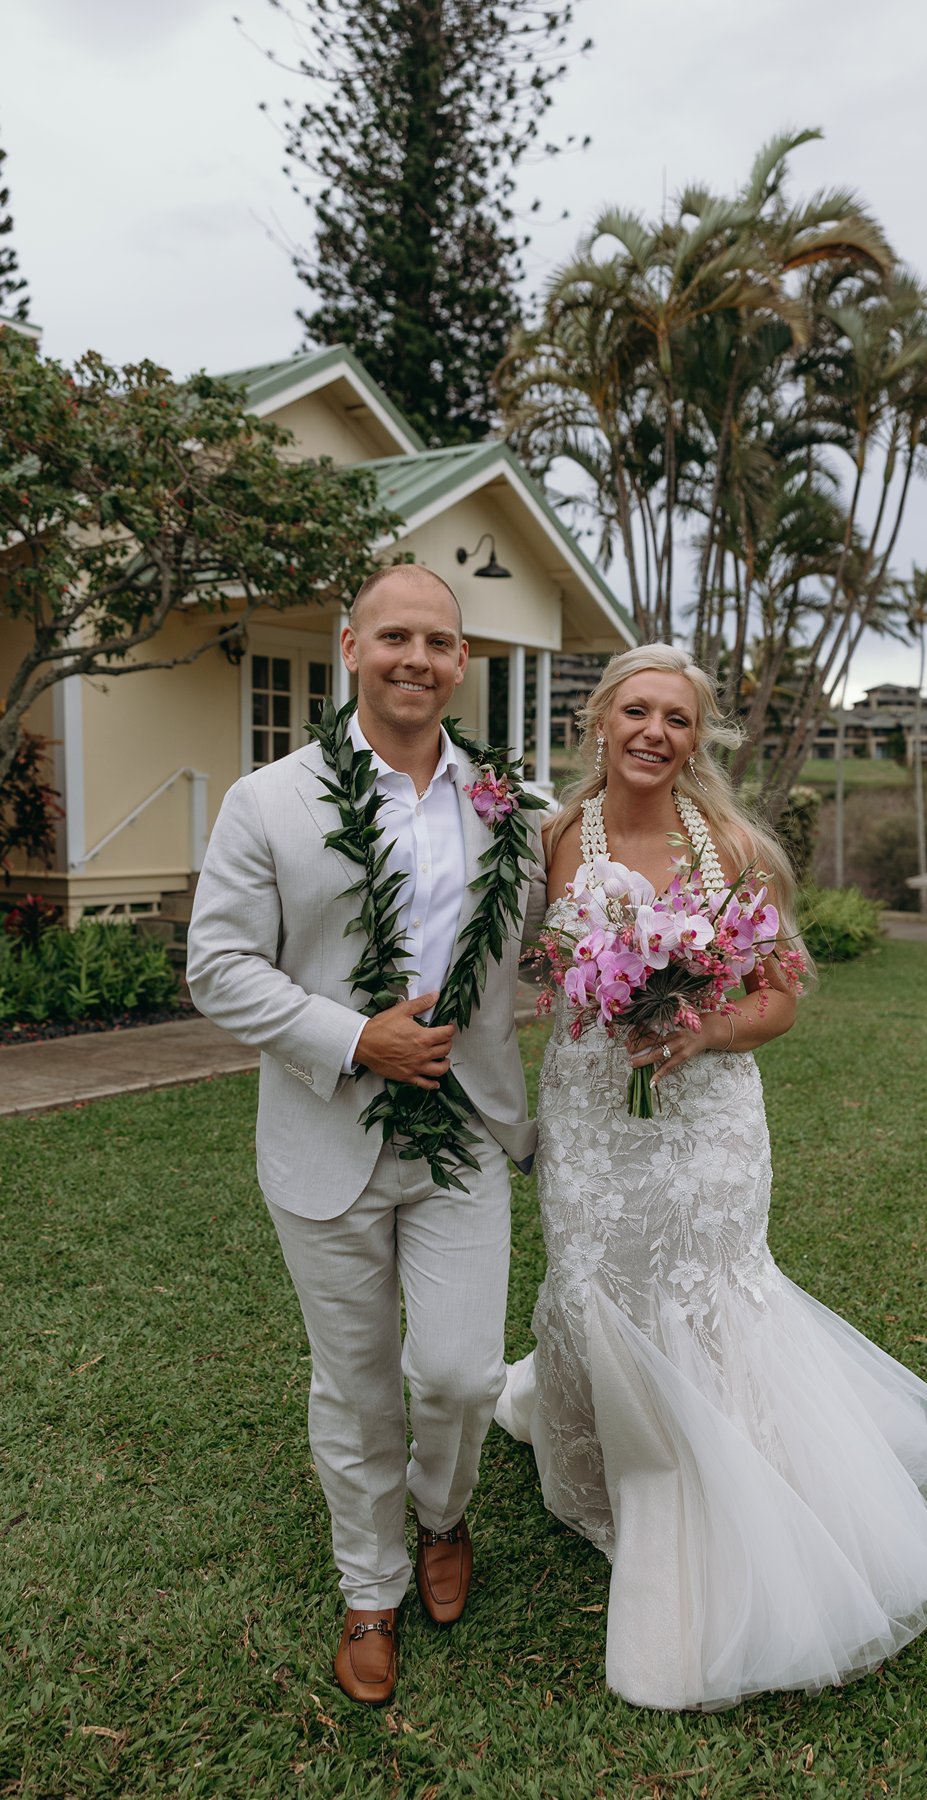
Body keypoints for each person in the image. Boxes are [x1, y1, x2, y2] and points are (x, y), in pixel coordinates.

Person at [497, 644, 927, 1711]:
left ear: (698, 738)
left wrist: (699, 1030)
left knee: (704, 1286)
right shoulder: (548, 841)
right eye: (635, 711)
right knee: (593, 1278)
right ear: (599, 720)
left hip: (707, 1114)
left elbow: (777, 1000)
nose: (653, 733)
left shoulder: (731, 847)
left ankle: (708, 1483)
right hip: (592, 1111)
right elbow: (529, 972)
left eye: (676, 720)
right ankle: (602, 1458)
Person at [187, 565, 544, 1707]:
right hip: (323, 1136)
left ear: (462, 662)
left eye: (440, 642)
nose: (417, 659)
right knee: (354, 1386)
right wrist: (354, 1038)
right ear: (350, 647)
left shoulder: (511, 807)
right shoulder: (270, 801)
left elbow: (557, 935)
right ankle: (371, 1588)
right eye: (396, 636)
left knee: (456, 1372)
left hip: (467, 1134)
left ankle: (445, 1516)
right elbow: (220, 969)